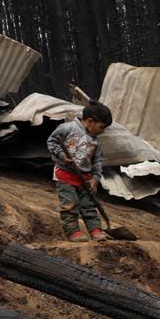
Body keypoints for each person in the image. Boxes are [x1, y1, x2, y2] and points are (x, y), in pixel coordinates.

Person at [47, 101, 111, 242]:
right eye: (102, 127)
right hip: (65, 175)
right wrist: (63, 157)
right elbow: (52, 142)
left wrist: (95, 178)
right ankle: (73, 232)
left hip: (85, 178)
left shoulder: (95, 142)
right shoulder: (67, 129)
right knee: (70, 205)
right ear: (90, 121)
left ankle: (95, 230)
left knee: (89, 205)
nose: (102, 131)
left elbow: (97, 161)